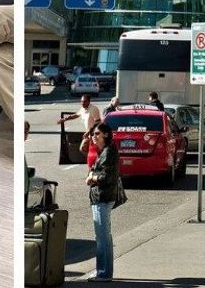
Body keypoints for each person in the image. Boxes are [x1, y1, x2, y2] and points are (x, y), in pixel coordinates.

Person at [84, 122, 119, 282]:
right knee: (105, 236)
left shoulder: (108, 152)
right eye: (93, 134)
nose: (94, 136)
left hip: (102, 197)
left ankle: (103, 273)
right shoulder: (104, 151)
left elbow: (107, 177)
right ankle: (103, 271)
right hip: (102, 197)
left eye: (97, 133)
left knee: (102, 237)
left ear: (105, 134)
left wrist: (92, 178)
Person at [60, 94, 102, 161]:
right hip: (89, 134)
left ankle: (97, 161)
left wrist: (88, 132)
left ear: (89, 101)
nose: (82, 103)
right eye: (81, 101)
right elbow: (76, 115)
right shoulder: (83, 108)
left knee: (96, 149)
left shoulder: (94, 109)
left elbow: (98, 122)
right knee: (82, 148)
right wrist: (65, 119)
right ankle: (94, 161)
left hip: (96, 134)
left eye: (84, 101)